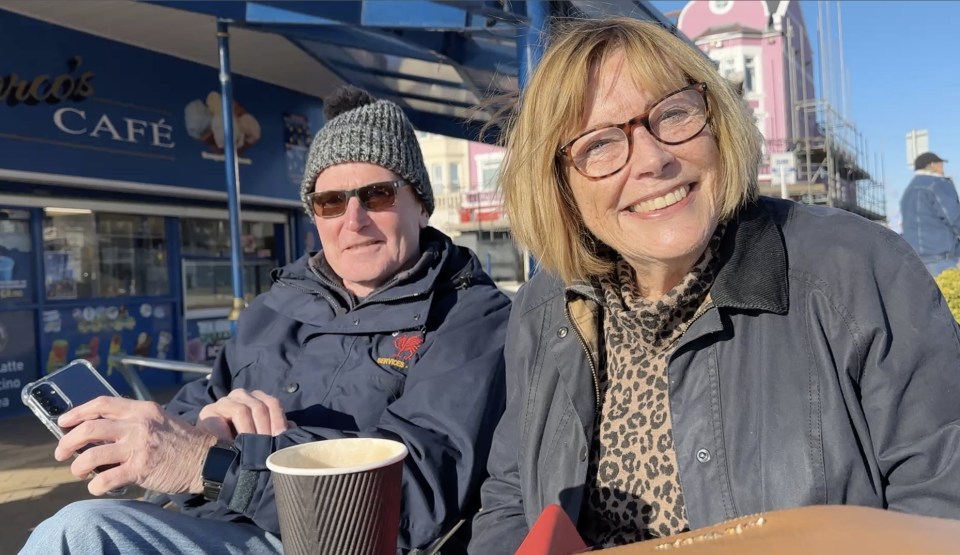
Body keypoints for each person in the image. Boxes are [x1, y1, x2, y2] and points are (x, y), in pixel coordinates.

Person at [468, 17, 960, 554]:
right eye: (601, 145)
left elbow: (942, 506)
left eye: (673, 113)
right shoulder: (545, 308)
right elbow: (512, 498)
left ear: (716, 120)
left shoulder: (859, 272)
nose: (654, 159)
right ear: (558, 185)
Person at [22, 86, 511, 555]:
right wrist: (205, 429)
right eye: (331, 202)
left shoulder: (472, 319)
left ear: (421, 204)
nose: (353, 219)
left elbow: (414, 502)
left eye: (378, 195)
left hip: (327, 542)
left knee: (82, 533)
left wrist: (214, 463)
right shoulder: (274, 308)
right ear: (314, 217)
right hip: (213, 524)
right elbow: (196, 412)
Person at [900, 151, 959, 277]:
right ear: (933, 165)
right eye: (941, 164)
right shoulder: (937, 184)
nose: (943, 168)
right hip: (943, 257)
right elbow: (954, 217)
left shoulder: (908, 191)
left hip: (916, 260)